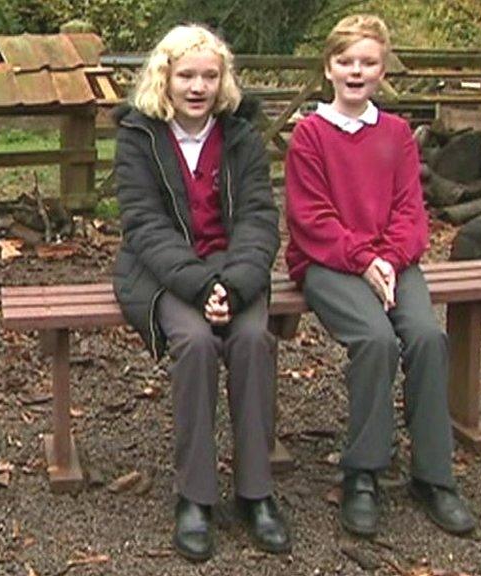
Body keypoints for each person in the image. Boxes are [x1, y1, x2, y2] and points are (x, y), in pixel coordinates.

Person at [284, 14, 476, 537]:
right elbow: (311, 219)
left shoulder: (395, 134)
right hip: (328, 263)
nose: (356, 70)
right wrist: (363, 260)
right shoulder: (310, 135)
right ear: (329, 67)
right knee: (374, 341)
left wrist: (389, 259)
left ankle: (434, 476)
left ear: (382, 69)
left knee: (428, 338)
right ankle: (363, 473)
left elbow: (412, 213)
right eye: (346, 61)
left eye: (367, 62)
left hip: (393, 262)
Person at [112, 24, 290, 561]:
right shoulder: (138, 135)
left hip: (235, 269)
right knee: (194, 344)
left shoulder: (240, 135)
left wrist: (233, 284)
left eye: (209, 75)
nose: (198, 86)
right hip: (164, 270)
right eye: (186, 75)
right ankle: (195, 497)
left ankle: (256, 492)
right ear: (164, 77)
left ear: (222, 80)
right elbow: (143, 225)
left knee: (254, 340)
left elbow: (260, 217)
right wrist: (200, 283)